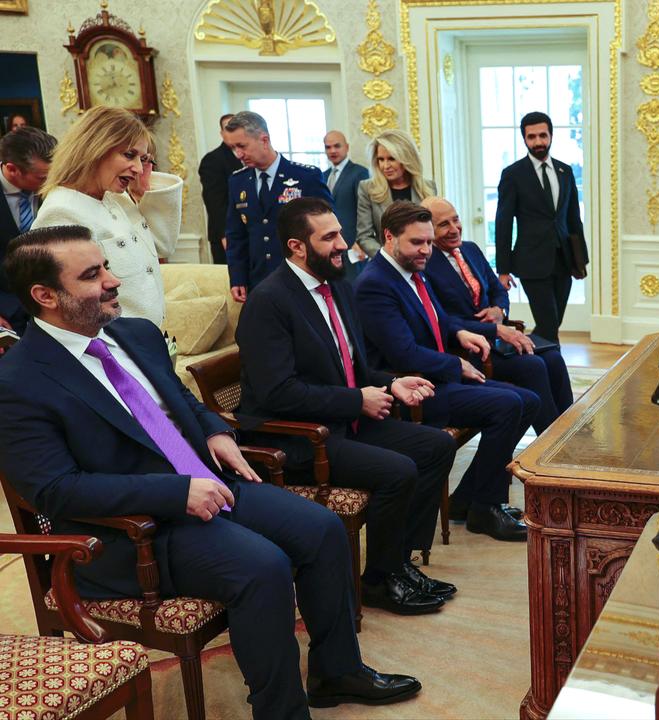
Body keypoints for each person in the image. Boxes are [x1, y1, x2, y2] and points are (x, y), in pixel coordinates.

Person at [0, 225, 423, 718]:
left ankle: (336, 670)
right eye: (93, 275)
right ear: (45, 295)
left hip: (208, 486)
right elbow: (56, 491)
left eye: (106, 266)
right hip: (132, 533)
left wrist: (214, 430)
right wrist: (176, 491)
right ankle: (281, 711)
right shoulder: (19, 382)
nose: (113, 281)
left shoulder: (133, 334)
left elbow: (180, 401)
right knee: (263, 566)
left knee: (323, 529)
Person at [236, 196, 458, 615]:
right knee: (398, 470)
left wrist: (392, 382)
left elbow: (352, 367)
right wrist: (357, 400)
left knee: (436, 447)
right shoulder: (270, 302)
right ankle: (377, 580)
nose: (343, 244)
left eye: (340, 232)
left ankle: (397, 564)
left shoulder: (337, 284)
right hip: (300, 438)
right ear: (297, 247)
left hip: (341, 419)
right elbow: (276, 393)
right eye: (330, 237)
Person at [355, 201, 537, 542]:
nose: (427, 250)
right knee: (510, 404)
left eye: (428, 241)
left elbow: (437, 319)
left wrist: (459, 333)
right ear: (389, 237)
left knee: (528, 399)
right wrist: (456, 363)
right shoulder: (375, 284)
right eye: (417, 243)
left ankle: (468, 499)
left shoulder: (411, 270)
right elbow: (403, 354)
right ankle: (486, 505)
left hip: (436, 376)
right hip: (412, 390)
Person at [424, 196, 573, 434]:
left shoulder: (470, 249)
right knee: (533, 365)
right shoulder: (425, 262)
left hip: (500, 342)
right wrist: (494, 329)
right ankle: (550, 443)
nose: (454, 229)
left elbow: (497, 289)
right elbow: (442, 320)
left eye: (456, 220)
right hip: (471, 350)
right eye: (444, 224)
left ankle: (570, 432)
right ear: (428, 229)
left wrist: (499, 311)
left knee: (553, 357)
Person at [33, 106, 180, 328]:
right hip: (119, 349)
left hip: (149, 340)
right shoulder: (61, 211)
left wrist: (145, 192)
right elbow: (71, 307)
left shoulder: (116, 199)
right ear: (95, 148)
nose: (139, 169)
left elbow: (164, 245)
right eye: (130, 155)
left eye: (143, 159)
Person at [495, 111, 589, 344]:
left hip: (564, 260)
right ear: (524, 139)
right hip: (531, 262)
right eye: (532, 137)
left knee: (553, 323)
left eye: (543, 136)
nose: (538, 142)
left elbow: (573, 218)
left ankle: (531, 357)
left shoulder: (565, 171)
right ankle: (553, 372)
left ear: (551, 136)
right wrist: (503, 270)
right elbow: (503, 223)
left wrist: (581, 261)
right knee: (548, 322)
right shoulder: (513, 175)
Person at [223, 110, 333, 301]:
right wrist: (237, 277)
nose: (238, 154)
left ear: (264, 140)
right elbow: (236, 235)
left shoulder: (305, 177)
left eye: (242, 146)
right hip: (258, 280)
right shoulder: (238, 181)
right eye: (233, 148)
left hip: (303, 278)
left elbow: (329, 229)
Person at [0, 126, 55, 337]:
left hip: (56, 307)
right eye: (42, 177)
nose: (51, 182)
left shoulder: (57, 188)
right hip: (9, 313)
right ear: (13, 169)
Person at [355, 129, 437, 265]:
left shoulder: (428, 188)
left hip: (425, 262)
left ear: (406, 158)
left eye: (391, 159)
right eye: (381, 159)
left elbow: (434, 230)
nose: (385, 166)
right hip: (387, 265)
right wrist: (390, 258)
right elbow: (364, 236)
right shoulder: (367, 188)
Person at [322, 130, 371, 279]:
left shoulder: (360, 173)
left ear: (347, 147)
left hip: (353, 246)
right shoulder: (323, 176)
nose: (332, 151)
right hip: (329, 246)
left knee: (354, 289)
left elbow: (364, 211)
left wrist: (361, 242)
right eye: (328, 147)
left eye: (337, 146)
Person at [197, 113, 241, 264]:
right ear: (222, 133)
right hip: (226, 234)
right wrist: (225, 234)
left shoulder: (249, 156)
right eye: (229, 128)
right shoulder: (212, 160)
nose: (233, 131)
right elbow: (214, 202)